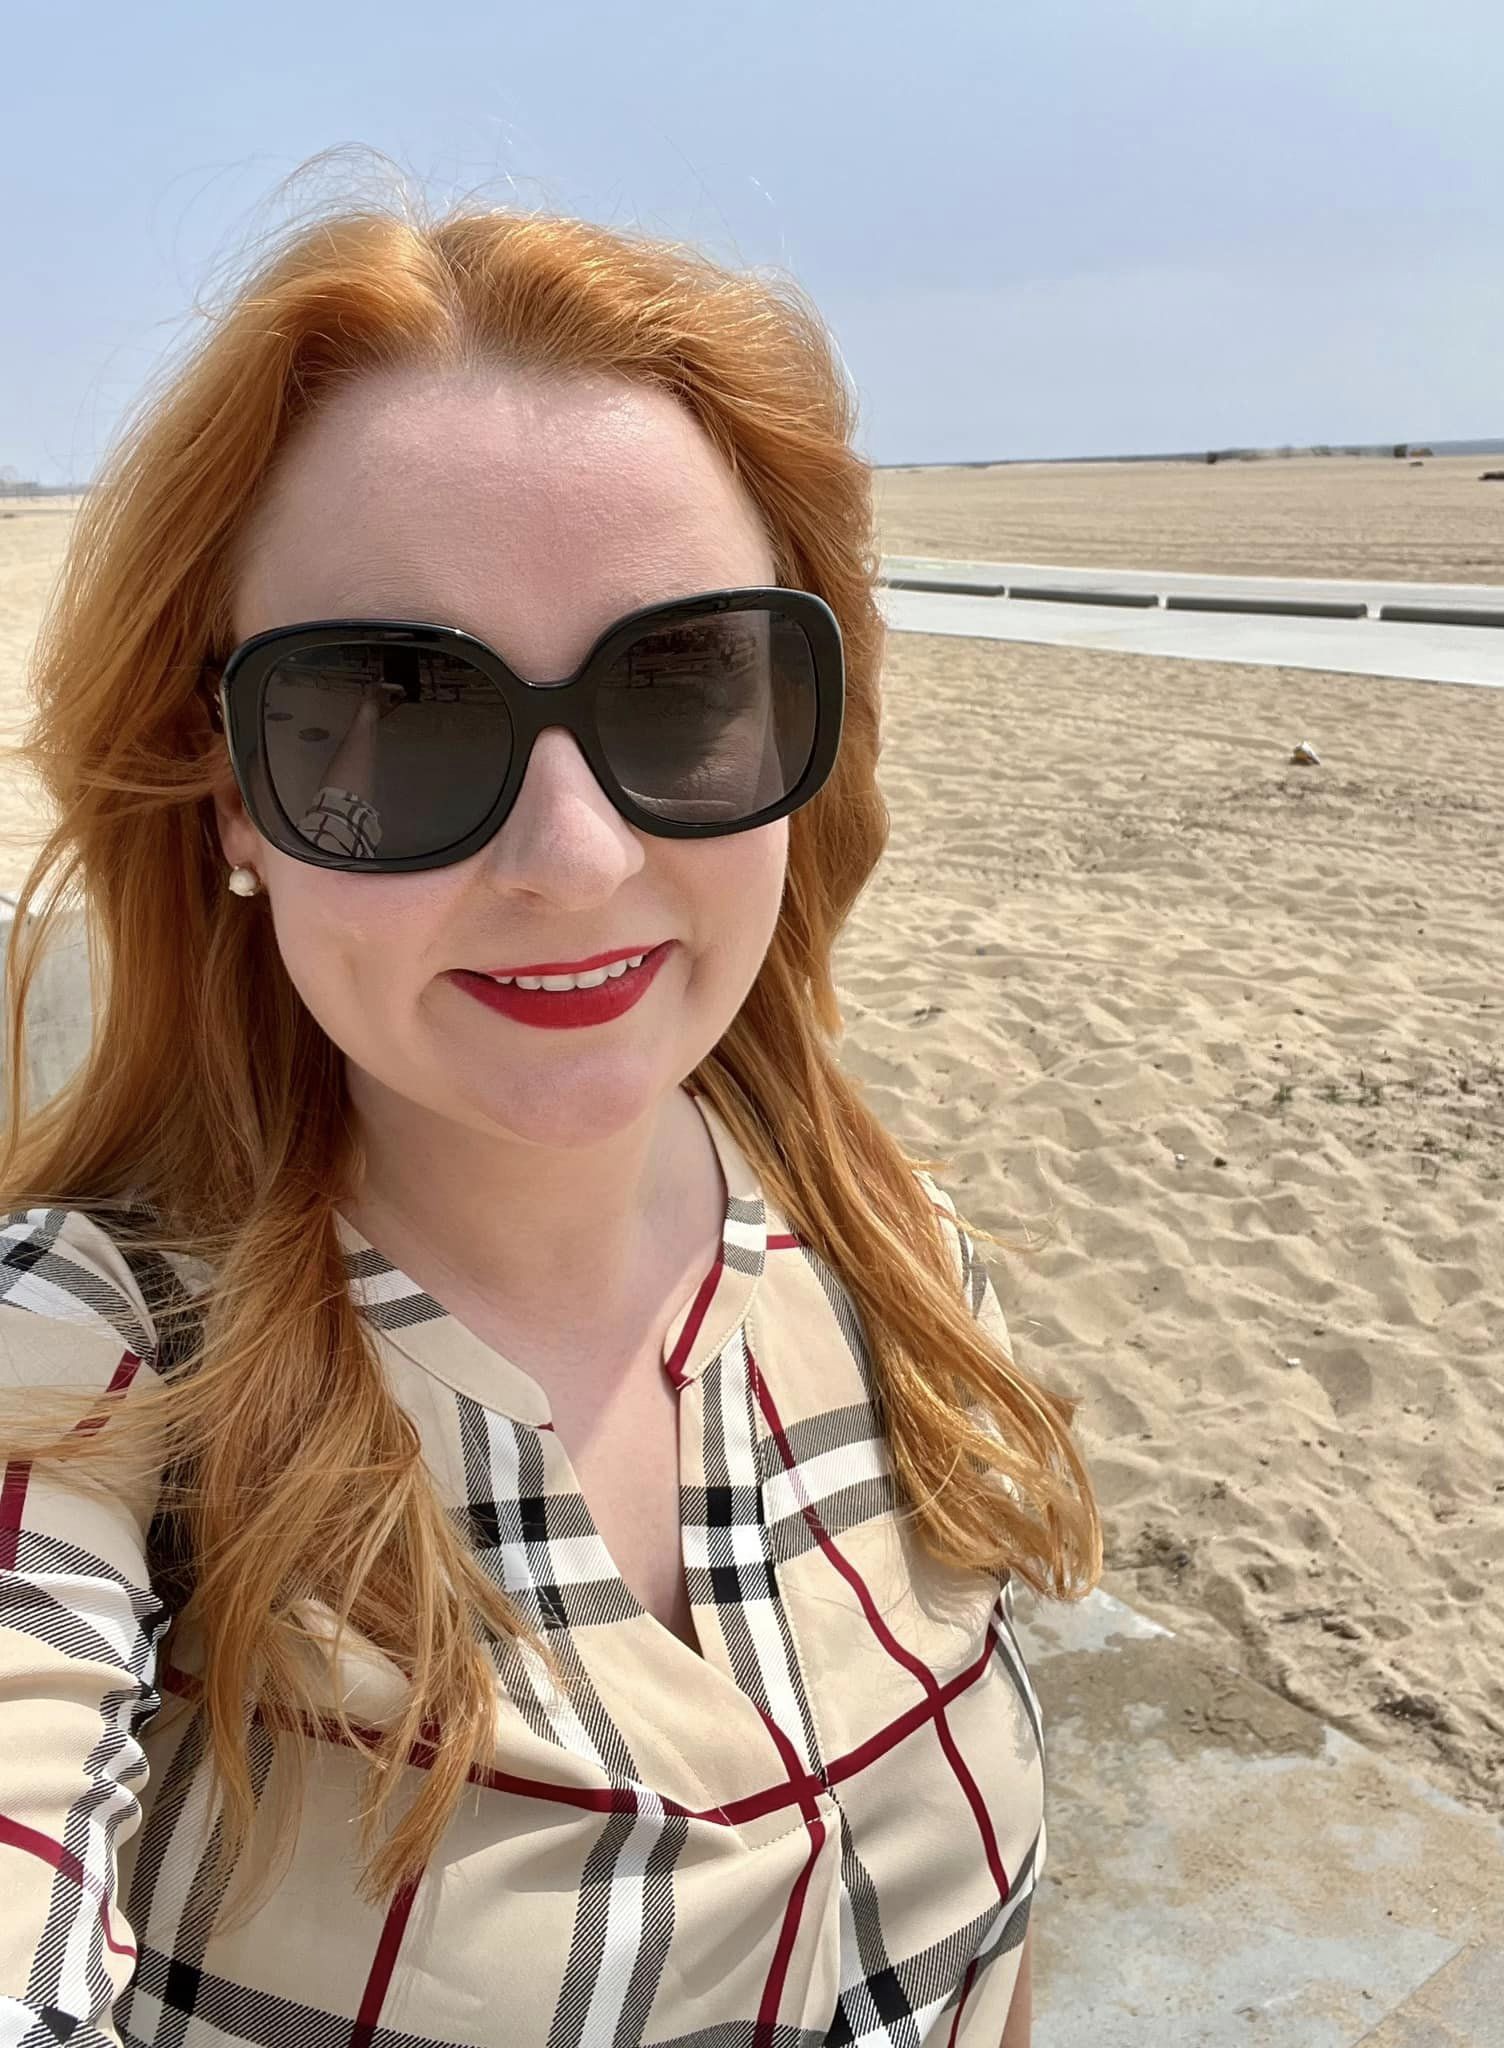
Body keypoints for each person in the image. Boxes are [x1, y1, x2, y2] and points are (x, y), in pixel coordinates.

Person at [0, 175, 1100, 2047]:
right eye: (392, 707)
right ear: (233, 794)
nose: (575, 860)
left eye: (683, 682)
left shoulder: (903, 1269)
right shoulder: (87, 1377)